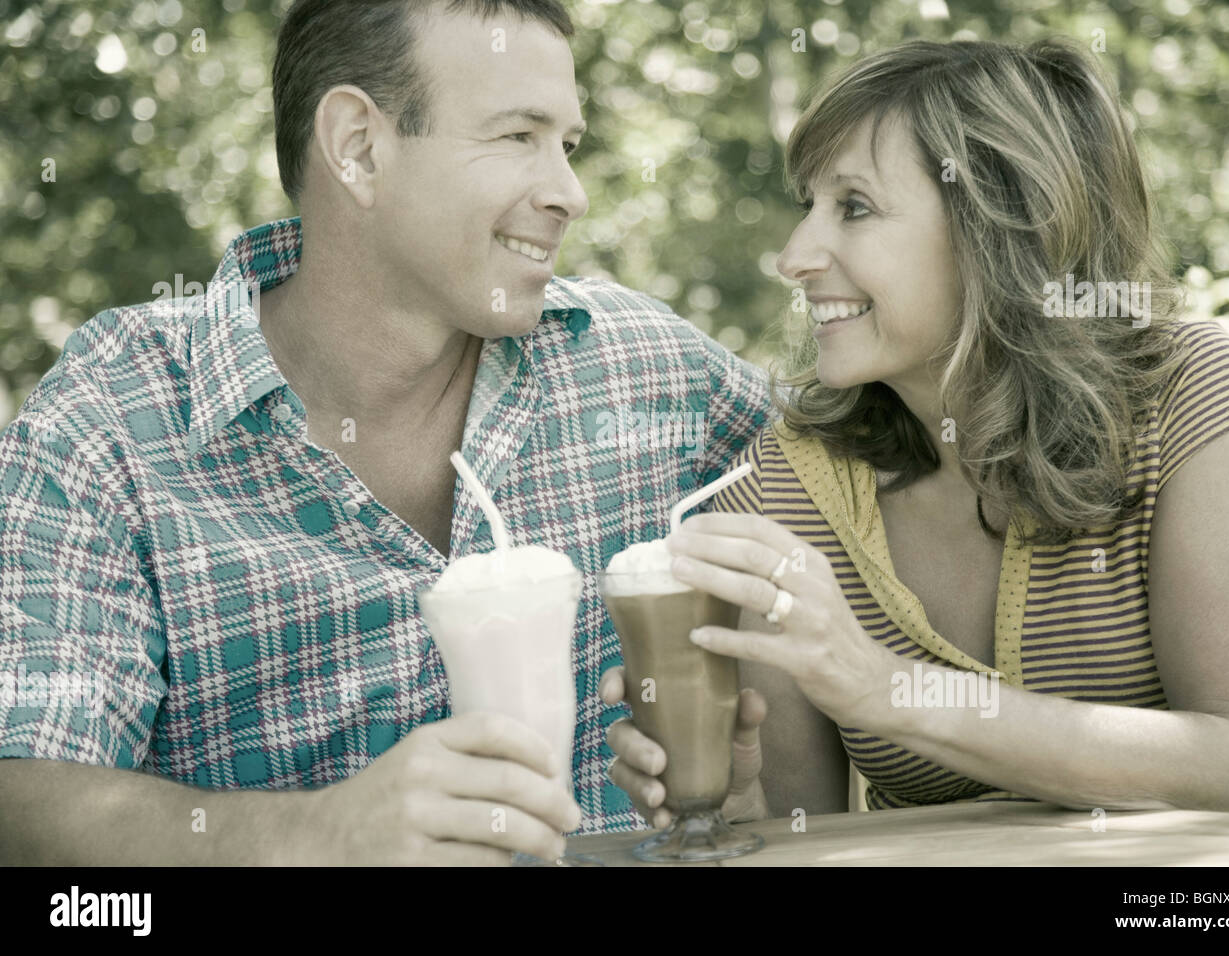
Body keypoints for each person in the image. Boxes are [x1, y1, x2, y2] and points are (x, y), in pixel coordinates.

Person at [0, 0, 771, 864]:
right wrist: (318, 835)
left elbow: (879, 465)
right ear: (359, 146)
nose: (569, 192)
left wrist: (760, 783)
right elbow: (25, 799)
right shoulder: (118, 414)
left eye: (569, 144)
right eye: (519, 137)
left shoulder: (646, 367)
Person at [602, 38, 1229, 825]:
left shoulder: (1183, 396)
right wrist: (735, 800)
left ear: (997, 228)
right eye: (809, 207)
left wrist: (889, 689)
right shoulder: (786, 487)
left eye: (855, 208)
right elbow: (806, 838)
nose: (795, 255)